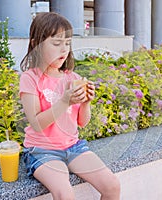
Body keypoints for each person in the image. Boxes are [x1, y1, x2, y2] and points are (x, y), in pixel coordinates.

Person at [19, 12, 120, 200]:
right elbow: (36, 124)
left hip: (73, 147)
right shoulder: (30, 78)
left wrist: (86, 103)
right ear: (35, 44)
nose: (63, 49)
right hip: (42, 150)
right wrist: (65, 101)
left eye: (67, 43)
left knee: (112, 186)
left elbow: (82, 123)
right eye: (56, 43)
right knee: (65, 194)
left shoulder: (71, 78)